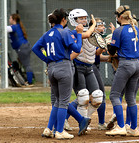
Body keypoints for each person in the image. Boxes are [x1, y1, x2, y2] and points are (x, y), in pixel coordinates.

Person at [32, 8, 92, 139]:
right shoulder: (64, 32)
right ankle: (59, 131)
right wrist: (79, 34)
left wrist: (46, 59)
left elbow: (35, 48)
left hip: (51, 68)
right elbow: (77, 48)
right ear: (63, 20)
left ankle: (49, 129)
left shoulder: (48, 33)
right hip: (64, 67)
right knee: (64, 102)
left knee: (58, 101)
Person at [105, 5, 139, 137]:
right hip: (137, 64)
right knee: (131, 98)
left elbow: (112, 51)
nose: (116, 18)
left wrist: (107, 44)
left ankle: (121, 126)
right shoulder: (135, 28)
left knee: (114, 95)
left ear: (120, 17)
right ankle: (134, 128)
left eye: (117, 17)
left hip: (126, 64)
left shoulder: (119, 30)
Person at [65, 9, 104, 130]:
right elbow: (85, 35)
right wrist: (94, 25)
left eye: (85, 18)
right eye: (81, 18)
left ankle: (84, 119)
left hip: (89, 67)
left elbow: (95, 53)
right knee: (83, 96)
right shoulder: (74, 32)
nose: (84, 20)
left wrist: (103, 47)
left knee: (97, 96)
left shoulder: (92, 32)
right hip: (78, 67)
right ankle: (74, 122)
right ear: (74, 20)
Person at [7, 14, 34, 85]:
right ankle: (28, 80)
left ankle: (30, 82)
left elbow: (6, 29)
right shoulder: (17, 26)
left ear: (14, 20)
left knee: (27, 65)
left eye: (10, 18)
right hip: (24, 47)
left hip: (23, 47)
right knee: (26, 64)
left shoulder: (15, 27)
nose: (9, 20)